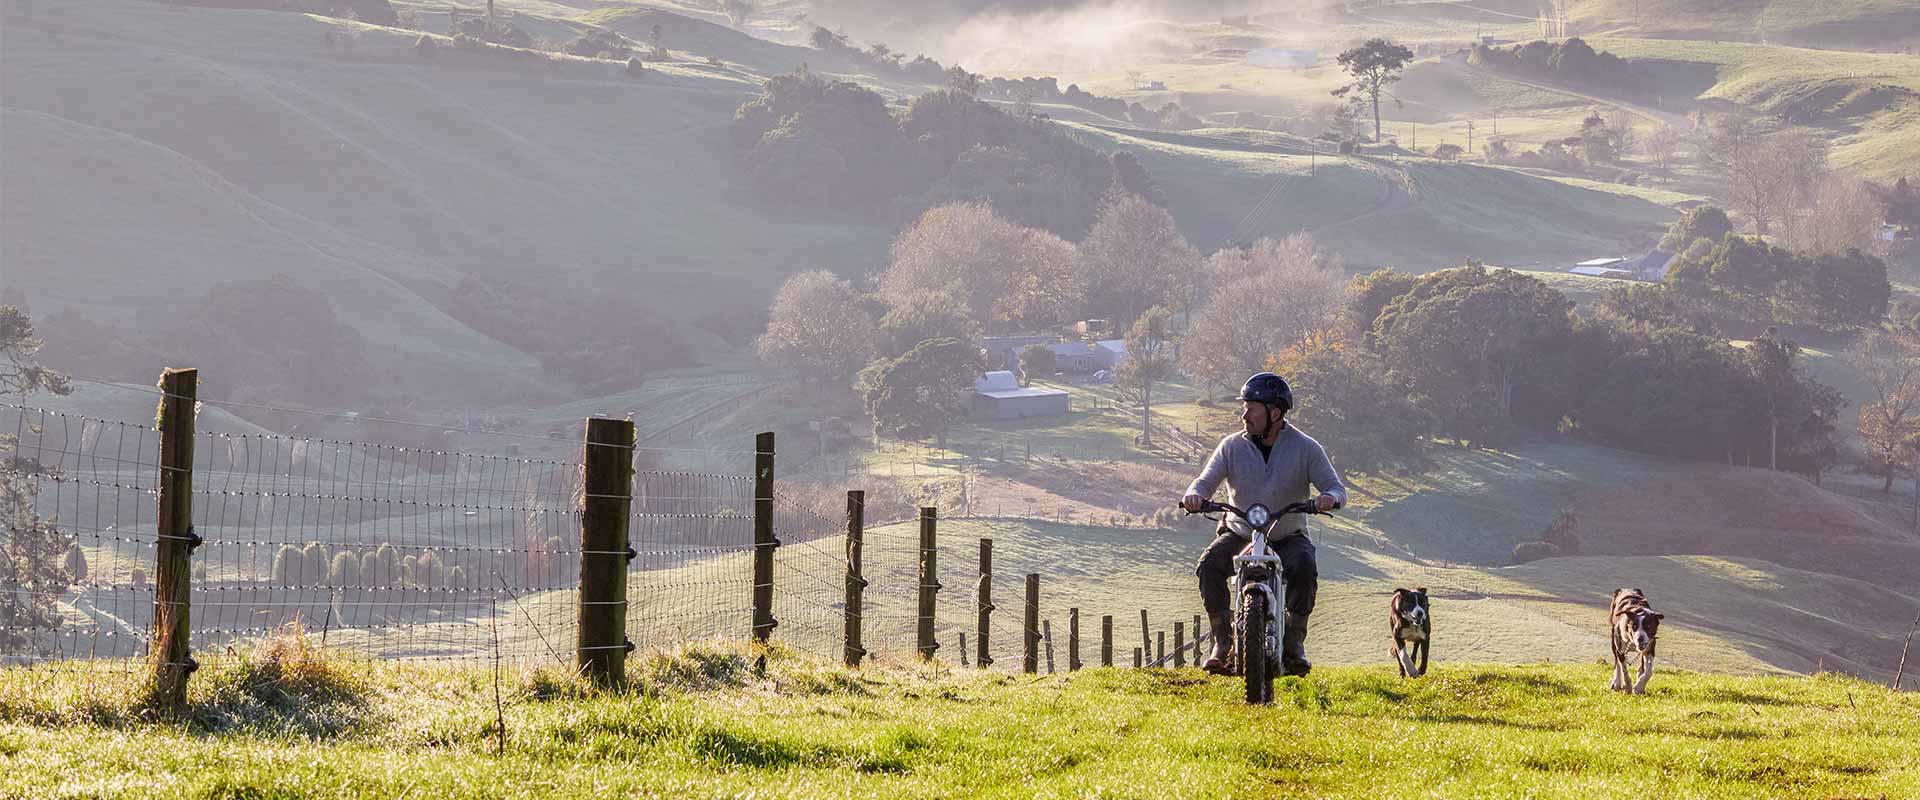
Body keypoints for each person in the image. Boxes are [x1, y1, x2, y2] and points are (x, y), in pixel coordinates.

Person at [1181, 372, 1345, 677]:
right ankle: (1223, 642)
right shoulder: (1230, 446)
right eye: (1244, 407)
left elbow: (1336, 488)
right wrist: (1194, 496)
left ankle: (1295, 643)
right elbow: (1204, 482)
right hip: (1240, 531)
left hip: (1286, 533)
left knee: (1305, 567)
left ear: (1275, 412)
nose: (1244, 415)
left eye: (1251, 408)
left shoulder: (1306, 448)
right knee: (1208, 566)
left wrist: (1328, 498)